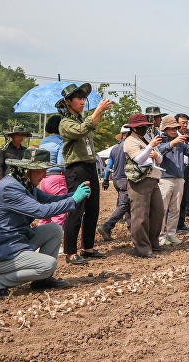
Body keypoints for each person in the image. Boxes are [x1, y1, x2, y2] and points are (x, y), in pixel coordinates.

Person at [0, 147, 91, 300]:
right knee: (48, 265)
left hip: (12, 243)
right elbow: (42, 211)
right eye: (40, 170)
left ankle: (41, 280)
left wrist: (74, 194)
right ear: (26, 170)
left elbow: (49, 200)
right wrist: (73, 200)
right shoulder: (10, 187)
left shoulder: (24, 184)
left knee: (54, 229)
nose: (44, 176)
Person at [57, 83, 112, 265]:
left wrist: (96, 113)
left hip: (89, 166)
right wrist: (98, 111)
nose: (82, 101)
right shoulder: (65, 123)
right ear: (68, 102)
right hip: (76, 169)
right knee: (76, 209)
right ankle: (70, 252)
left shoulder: (81, 119)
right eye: (78, 98)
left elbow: (87, 126)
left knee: (93, 209)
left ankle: (87, 248)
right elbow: (81, 131)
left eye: (83, 98)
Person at [123, 113, 165, 258]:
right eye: (140, 126)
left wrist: (155, 154)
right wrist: (150, 149)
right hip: (139, 180)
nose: (143, 128)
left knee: (158, 212)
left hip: (153, 179)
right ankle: (142, 248)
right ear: (133, 128)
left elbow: (160, 158)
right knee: (140, 215)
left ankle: (153, 243)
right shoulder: (129, 141)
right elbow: (139, 159)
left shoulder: (147, 138)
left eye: (145, 126)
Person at [157, 116, 189, 245]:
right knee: (162, 209)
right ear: (165, 129)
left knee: (175, 209)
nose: (174, 130)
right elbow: (158, 151)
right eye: (171, 128)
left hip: (179, 178)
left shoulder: (180, 140)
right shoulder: (160, 139)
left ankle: (171, 234)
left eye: (176, 128)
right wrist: (172, 143)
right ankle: (160, 236)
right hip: (165, 178)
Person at [98, 126, 131, 241]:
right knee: (124, 205)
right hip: (125, 179)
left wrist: (106, 179)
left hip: (116, 179)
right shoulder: (129, 147)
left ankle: (131, 229)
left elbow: (109, 166)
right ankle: (106, 226)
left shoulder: (115, 148)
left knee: (127, 204)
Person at [37, 115, 67, 227]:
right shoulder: (61, 142)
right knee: (59, 213)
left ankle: (41, 240)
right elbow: (61, 164)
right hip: (57, 178)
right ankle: (55, 242)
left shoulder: (43, 141)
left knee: (45, 214)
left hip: (43, 178)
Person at [175, 113, 189, 233]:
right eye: (182, 122)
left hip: (187, 168)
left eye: (186, 123)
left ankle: (181, 223)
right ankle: (173, 226)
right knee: (176, 198)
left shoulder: (184, 137)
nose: (185, 125)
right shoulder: (173, 136)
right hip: (177, 169)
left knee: (184, 197)